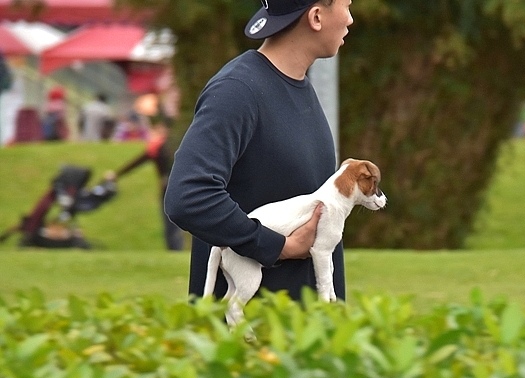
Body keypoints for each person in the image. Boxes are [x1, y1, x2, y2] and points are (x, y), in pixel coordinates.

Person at [164, 0, 353, 300]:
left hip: (302, 334)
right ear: (316, 17)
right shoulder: (237, 91)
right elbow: (188, 196)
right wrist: (278, 247)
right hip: (250, 337)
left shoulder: (297, 85)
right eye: (346, 6)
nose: (350, 19)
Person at [107, 116, 184, 251]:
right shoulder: (162, 146)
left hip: (173, 187)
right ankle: (174, 249)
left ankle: (175, 248)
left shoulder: (171, 145)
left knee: (172, 220)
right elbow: (139, 161)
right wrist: (117, 174)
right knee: (170, 220)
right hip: (170, 188)